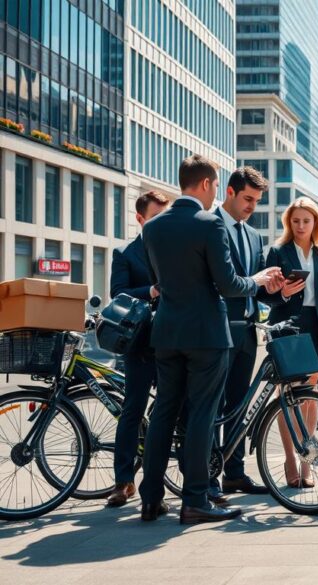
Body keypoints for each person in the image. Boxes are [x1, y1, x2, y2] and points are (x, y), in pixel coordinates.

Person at [139, 155, 283, 524]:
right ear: (206, 184)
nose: (216, 191)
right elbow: (229, 284)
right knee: (204, 415)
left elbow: (162, 282)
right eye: (217, 185)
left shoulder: (153, 227)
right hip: (207, 335)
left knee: (163, 416)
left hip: (167, 333)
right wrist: (261, 280)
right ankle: (196, 499)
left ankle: (151, 498)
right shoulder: (209, 225)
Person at [209, 167, 281, 501]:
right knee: (212, 407)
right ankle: (208, 476)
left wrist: (280, 288)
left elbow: (258, 289)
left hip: (248, 331)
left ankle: (235, 474)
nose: (252, 206)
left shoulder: (253, 236)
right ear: (230, 192)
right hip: (217, 331)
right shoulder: (209, 227)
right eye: (248, 199)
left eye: (257, 201)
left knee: (238, 406)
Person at [265, 196, 318, 487]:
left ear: (315, 223)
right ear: (289, 222)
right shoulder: (278, 251)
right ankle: (288, 459)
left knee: (310, 399)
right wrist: (283, 292)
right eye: (295, 220)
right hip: (288, 327)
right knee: (286, 396)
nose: (300, 226)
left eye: (306, 221)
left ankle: (306, 462)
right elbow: (264, 293)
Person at [106, 191, 170, 508]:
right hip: (140, 345)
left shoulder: (175, 248)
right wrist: (151, 290)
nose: (162, 223)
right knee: (131, 412)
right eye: (156, 217)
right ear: (140, 219)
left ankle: (155, 486)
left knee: (173, 411)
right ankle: (123, 482)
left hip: (172, 342)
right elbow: (117, 294)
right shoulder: (125, 253)